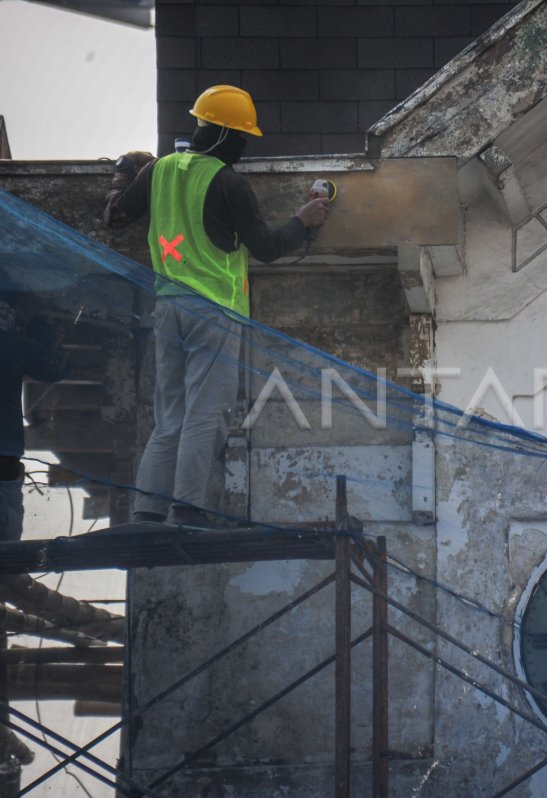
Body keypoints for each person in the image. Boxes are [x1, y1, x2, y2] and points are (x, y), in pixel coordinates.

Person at [105, 85, 330, 526]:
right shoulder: (229, 182)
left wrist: (121, 177)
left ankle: (147, 510)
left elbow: (114, 218)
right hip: (213, 311)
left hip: (168, 307)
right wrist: (302, 222)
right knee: (205, 413)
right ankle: (187, 509)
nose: (245, 145)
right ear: (227, 135)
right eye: (243, 137)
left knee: (168, 416)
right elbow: (265, 247)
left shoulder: (158, 171)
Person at [0, 283, 68, 542]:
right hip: (2, 463)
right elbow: (54, 367)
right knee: (6, 561)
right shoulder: (7, 343)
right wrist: (33, 319)